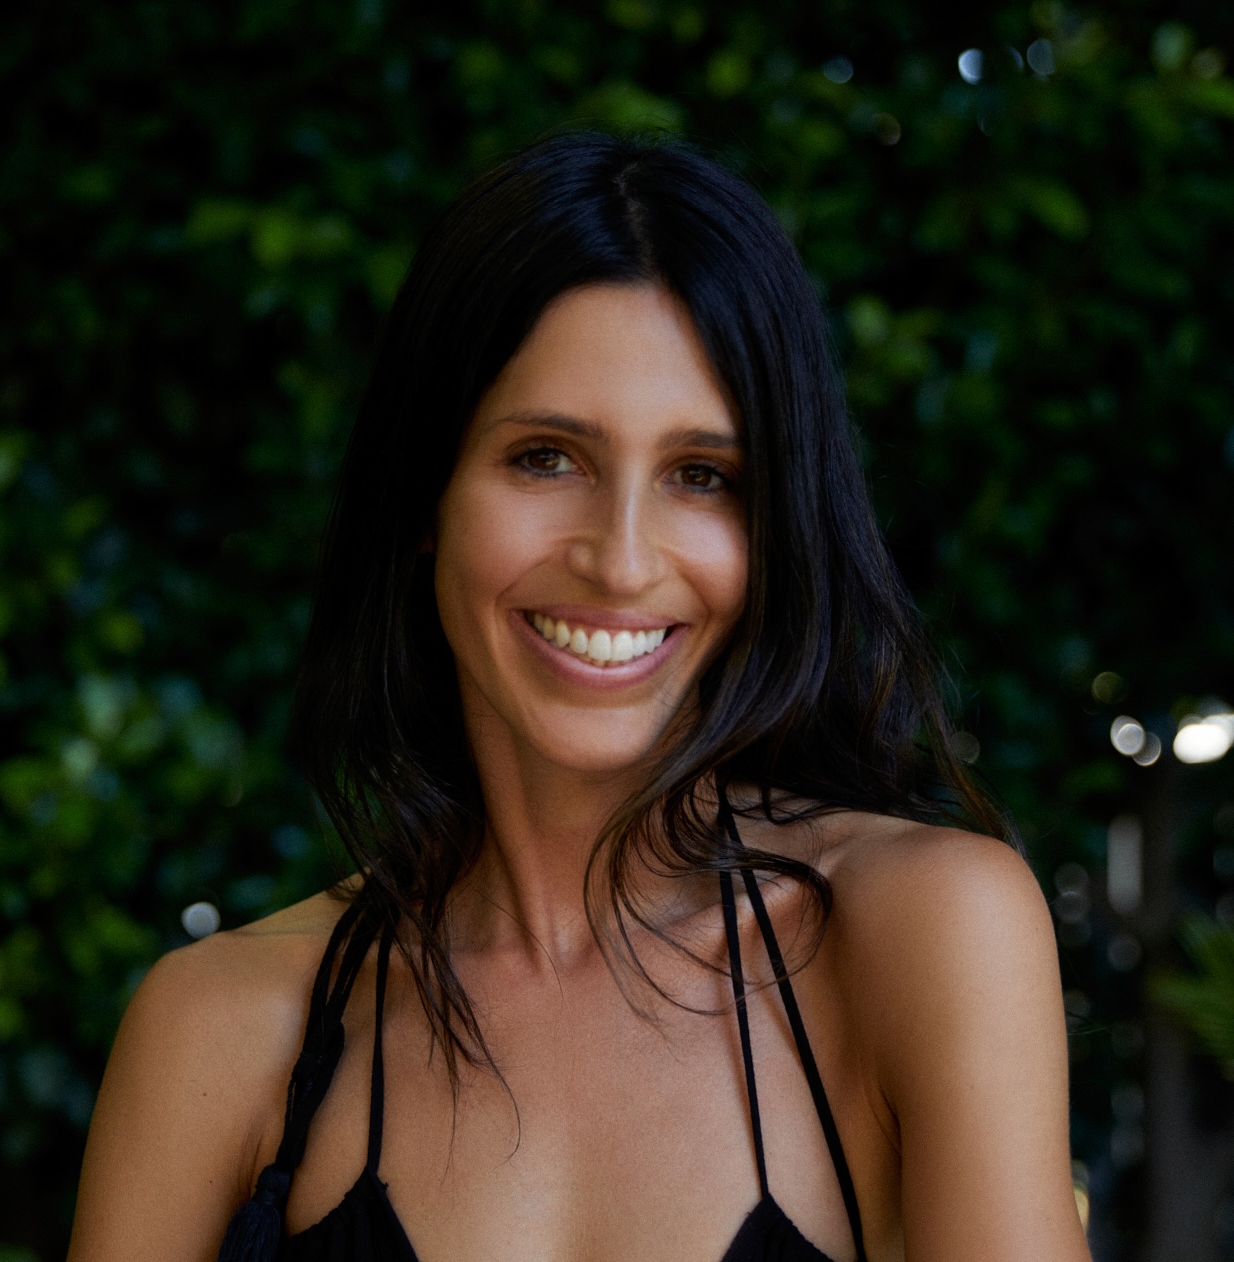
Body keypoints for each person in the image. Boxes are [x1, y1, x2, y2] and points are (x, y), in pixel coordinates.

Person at [68, 131, 1090, 1262]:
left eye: (702, 476)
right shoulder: (220, 1027)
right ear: (423, 492)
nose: (618, 559)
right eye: (546, 456)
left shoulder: (921, 932)